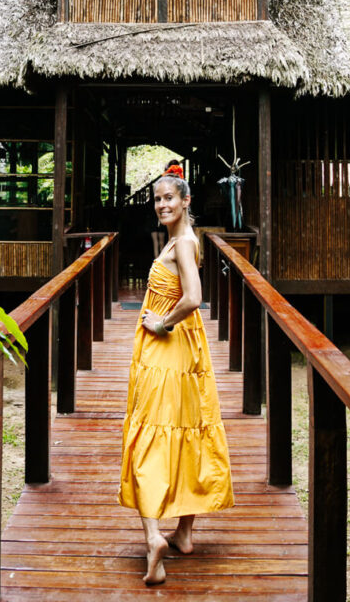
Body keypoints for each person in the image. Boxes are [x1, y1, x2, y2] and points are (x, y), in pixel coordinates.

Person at [118, 165, 234, 585]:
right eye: (157, 199)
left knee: (151, 435)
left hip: (169, 352)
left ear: (186, 201)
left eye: (169, 198)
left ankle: (154, 538)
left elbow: (195, 298)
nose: (162, 204)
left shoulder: (183, 243)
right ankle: (184, 531)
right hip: (186, 355)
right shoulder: (182, 240)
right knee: (189, 430)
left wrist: (161, 324)